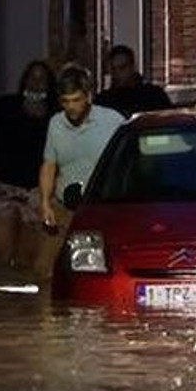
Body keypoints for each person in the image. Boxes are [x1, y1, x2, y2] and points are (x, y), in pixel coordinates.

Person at [36, 65, 125, 280]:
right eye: (66, 102)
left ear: (88, 96)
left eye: (76, 100)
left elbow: (125, 162)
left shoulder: (113, 121)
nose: (71, 107)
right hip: (64, 207)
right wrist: (45, 202)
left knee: (96, 272)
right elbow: (49, 164)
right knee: (44, 270)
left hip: (100, 208)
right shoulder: (56, 124)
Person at [0, 61, 56, 268]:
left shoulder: (56, 115)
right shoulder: (7, 106)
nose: (37, 83)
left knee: (27, 260)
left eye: (42, 79)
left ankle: (23, 299)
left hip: (37, 191)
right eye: (32, 77)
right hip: (3, 186)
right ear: (24, 81)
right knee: (0, 252)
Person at [95, 44, 173, 117]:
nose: (117, 73)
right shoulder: (104, 100)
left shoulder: (154, 95)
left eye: (122, 68)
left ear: (132, 67)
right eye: (113, 69)